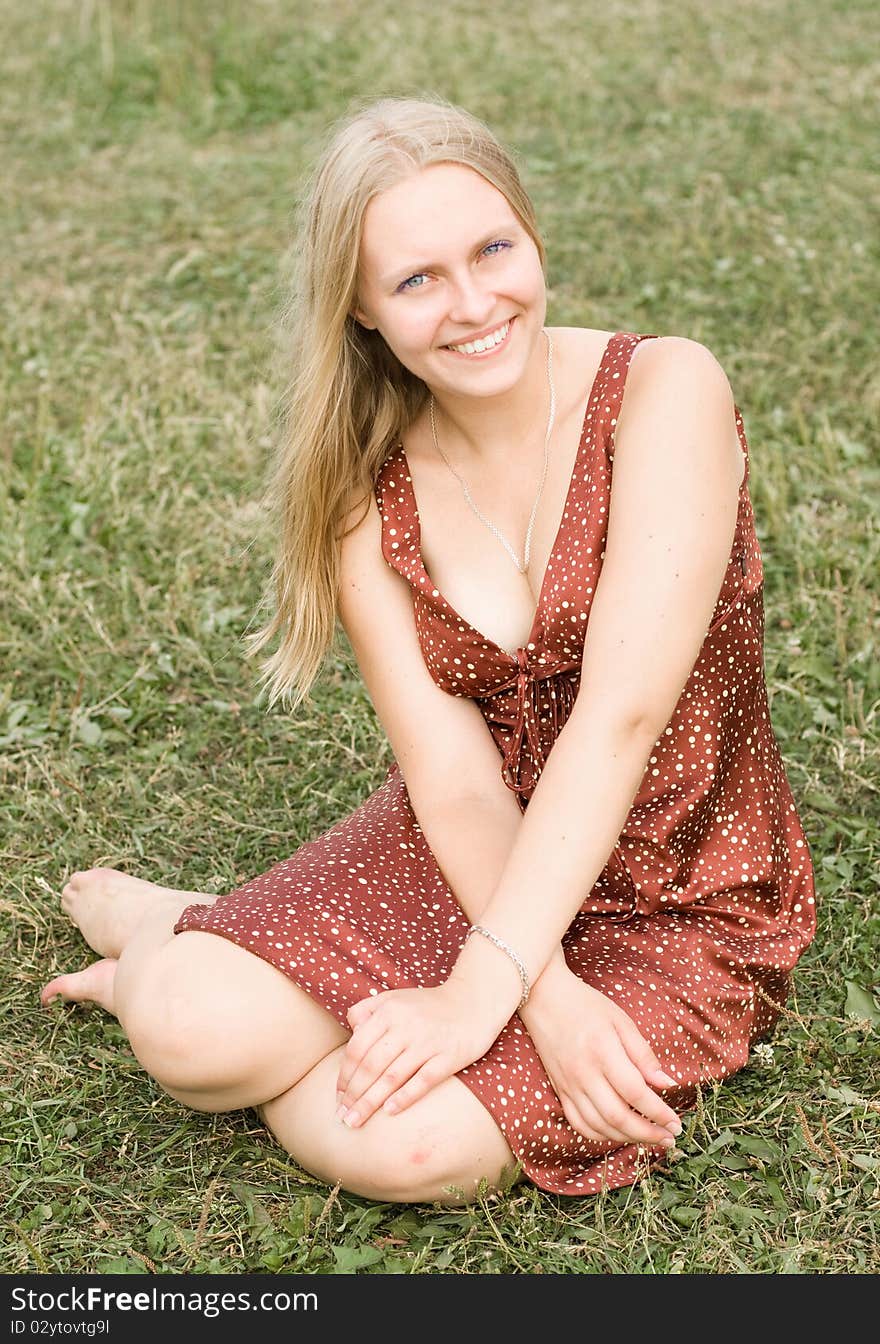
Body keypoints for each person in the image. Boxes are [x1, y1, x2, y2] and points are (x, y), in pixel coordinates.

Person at [40, 94, 816, 1206]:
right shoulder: (366, 489)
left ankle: (206, 938)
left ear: (531, 232)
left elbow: (621, 721)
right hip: (473, 853)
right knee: (185, 1028)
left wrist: (477, 992)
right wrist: (526, 996)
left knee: (399, 1150)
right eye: (415, 281)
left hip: (675, 884)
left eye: (492, 248)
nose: (474, 304)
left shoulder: (663, 390)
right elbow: (452, 783)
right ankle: (174, 935)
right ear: (358, 309)